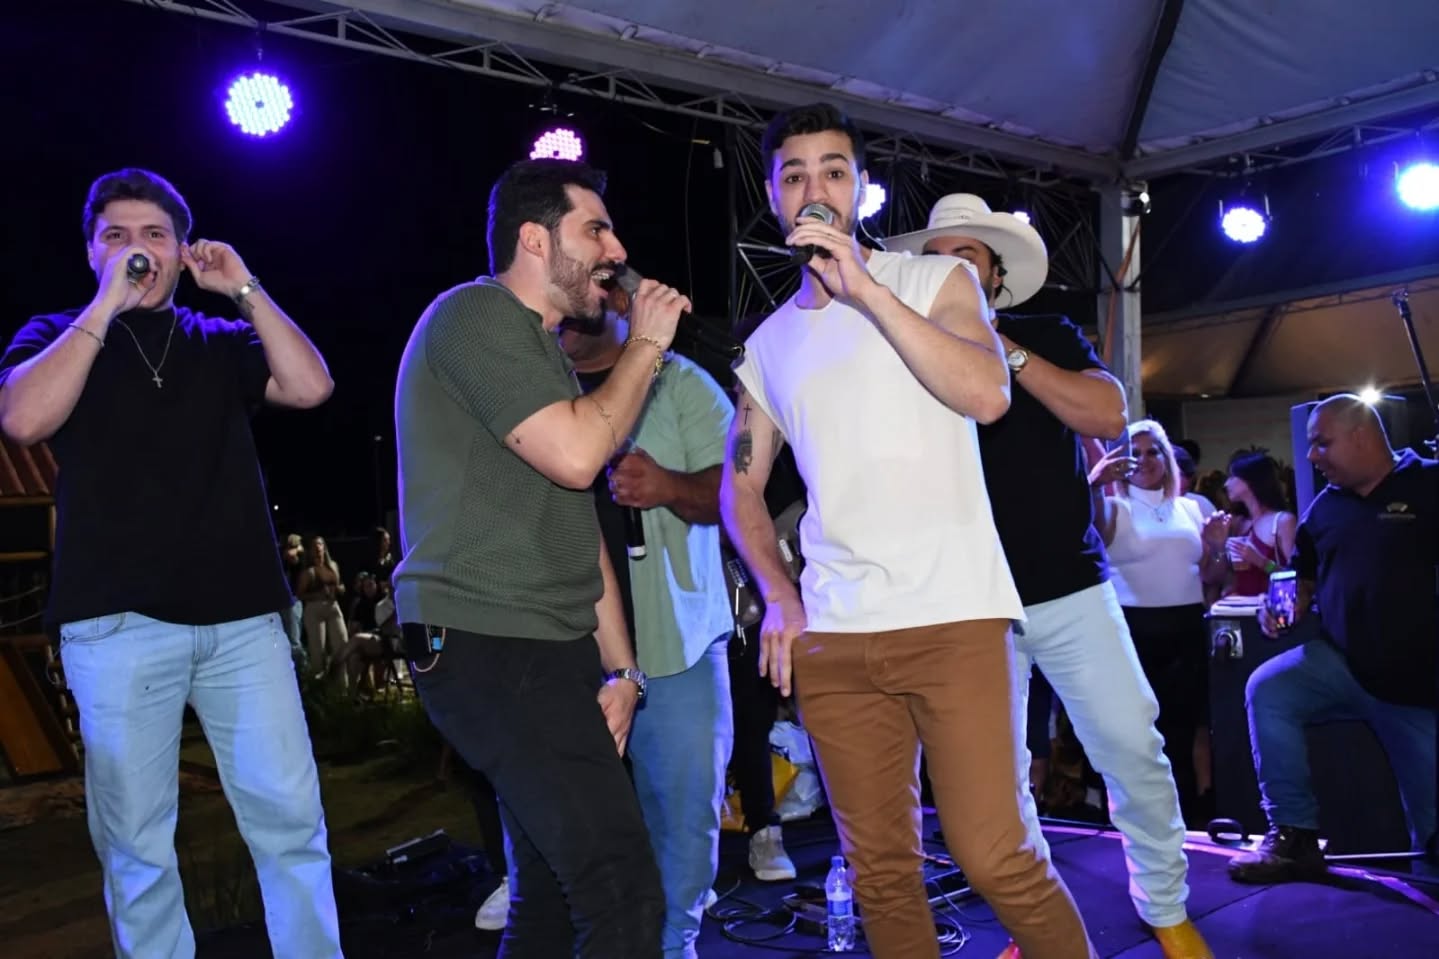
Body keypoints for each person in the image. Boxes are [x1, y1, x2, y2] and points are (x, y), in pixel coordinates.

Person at [720, 103, 1094, 959]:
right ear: (773, 196)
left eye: (833, 170)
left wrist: (865, 289)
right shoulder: (768, 344)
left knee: (995, 855)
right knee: (880, 872)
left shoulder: (934, 282)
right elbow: (739, 485)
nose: (813, 187)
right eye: (793, 174)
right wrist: (778, 593)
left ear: (860, 189)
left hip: (953, 615)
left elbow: (987, 394)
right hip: (836, 634)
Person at [0, 168, 341, 957]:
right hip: (115, 624)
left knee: (291, 821)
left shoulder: (215, 338)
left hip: (242, 621)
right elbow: (22, 418)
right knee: (136, 841)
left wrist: (244, 288)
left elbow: (310, 387)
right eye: (116, 236)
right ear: (91, 251)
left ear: (183, 250)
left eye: (155, 234)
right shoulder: (55, 332)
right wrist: (104, 307)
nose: (137, 249)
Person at [885, 195, 1214, 958]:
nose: (951, 266)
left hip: (1069, 585)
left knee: (1131, 744)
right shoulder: (902, 353)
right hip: (966, 603)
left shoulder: (1042, 332)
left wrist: (1003, 350)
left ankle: (1166, 908)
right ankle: (1035, 926)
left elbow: (1106, 415)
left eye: (968, 254)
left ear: (995, 275)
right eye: (937, 256)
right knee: (998, 786)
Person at [391, 157, 689, 958]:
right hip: (487, 638)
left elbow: (574, 523)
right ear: (533, 239)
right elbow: (579, 457)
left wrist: (623, 671)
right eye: (595, 229)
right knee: (621, 889)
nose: (615, 250)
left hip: (541, 645)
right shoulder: (473, 315)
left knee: (553, 900)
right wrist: (647, 343)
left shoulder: (541, 352)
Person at [560, 305, 736, 959]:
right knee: (575, 828)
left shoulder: (679, 382)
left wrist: (666, 485)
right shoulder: (536, 391)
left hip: (675, 645)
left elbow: (737, 490)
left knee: (685, 818)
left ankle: (673, 945)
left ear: (615, 303)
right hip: (564, 650)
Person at [1230, 394, 1438, 882]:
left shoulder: (1429, 483)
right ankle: (1294, 834)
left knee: (1433, 835)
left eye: (1322, 443)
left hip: (1417, 684)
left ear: (1361, 437)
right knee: (1269, 689)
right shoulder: (1324, 508)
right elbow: (1301, 575)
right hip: (1341, 662)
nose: (1311, 456)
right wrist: (1281, 604)